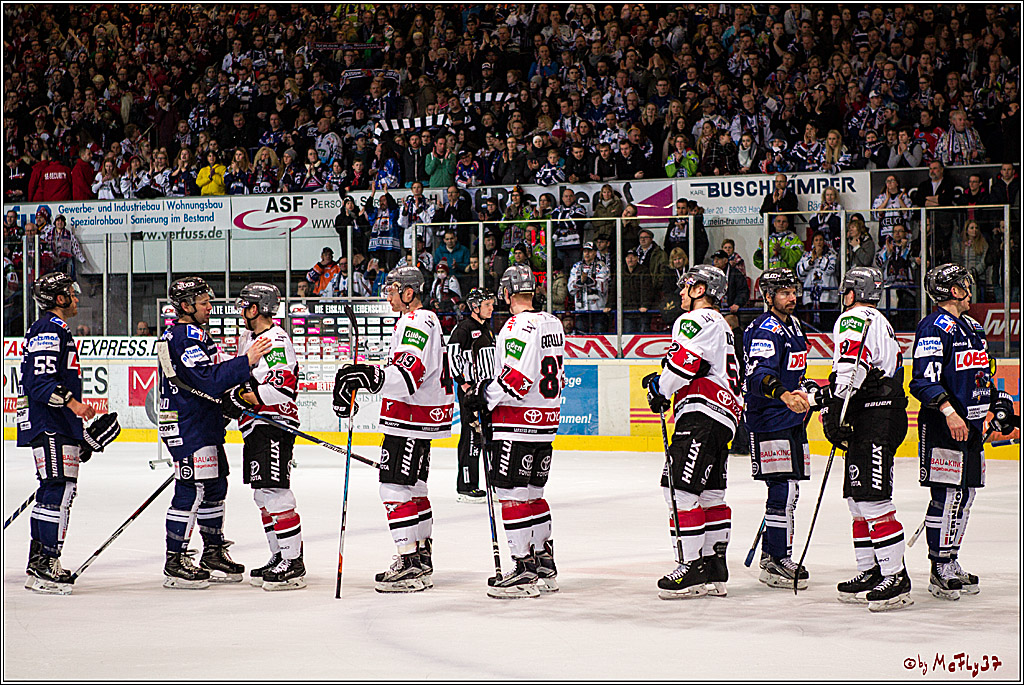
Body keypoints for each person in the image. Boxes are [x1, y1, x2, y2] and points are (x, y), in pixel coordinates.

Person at [332, 265, 454, 593]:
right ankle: (420, 557)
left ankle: (410, 561)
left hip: (410, 417)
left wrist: (369, 378)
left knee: (393, 488)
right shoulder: (418, 320)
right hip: (420, 416)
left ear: (409, 293)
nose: (388, 294)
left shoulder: (417, 320)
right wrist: (370, 373)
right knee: (413, 487)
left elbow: (408, 374)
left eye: (393, 288)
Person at [909, 264, 1018, 600]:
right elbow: (922, 381)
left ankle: (951, 559)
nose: (970, 288)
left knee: (966, 496)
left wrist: (995, 404)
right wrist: (949, 412)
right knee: (946, 496)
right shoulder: (933, 327)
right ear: (953, 291)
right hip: (944, 426)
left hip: (970, 427)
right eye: (964, 284)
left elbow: (981, 375)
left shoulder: (971, 326)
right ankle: (938, 566)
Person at [158, 277, 271, 588]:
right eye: (203, 302)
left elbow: (204, 383)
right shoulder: (183, 335)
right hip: (187, 424)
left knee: (216, 485)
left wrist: (228, 402)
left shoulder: (192, 333)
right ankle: (175, 559)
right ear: (185, 306)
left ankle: (212, 552)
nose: (209, 306)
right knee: (191, 489)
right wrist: (246, 361)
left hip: (202, 422)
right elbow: (206, 379)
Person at [463, 264, 565, 598]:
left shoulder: (516, 325)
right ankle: (543, 563)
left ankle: (523, 569)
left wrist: (483, 395)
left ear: (507, 294)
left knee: (511, 494)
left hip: (516, 423)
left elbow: (515, 380)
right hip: (545, 423)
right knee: (534, 494)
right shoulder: (553, 322)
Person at [643, 265, 743, 599]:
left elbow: (685, 363)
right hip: (725, 415)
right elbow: (700, 365)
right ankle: (715, 565)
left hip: (701, 414)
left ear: (701, 289)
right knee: (711, 494)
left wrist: (661, 388)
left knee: (680, 491)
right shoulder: (723, 325)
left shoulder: (693, 320)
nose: (682, 293)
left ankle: (690, 567)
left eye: (686, 287)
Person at [18, 272, 120, 594]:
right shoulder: (50, 328)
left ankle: (40, 561)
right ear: (59, 299)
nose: (76, 298)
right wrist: (75, 406)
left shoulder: (53, 329)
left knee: (54, 490)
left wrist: (82, 439)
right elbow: (41, 382)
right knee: (57, 491)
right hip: (50, 424)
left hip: (54, 425)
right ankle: (47, 562)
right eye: (71, 294)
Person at [820, 266, 913, 611]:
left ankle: (895, 574)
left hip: (876, 413)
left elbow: (850, 368)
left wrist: (835, 411)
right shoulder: (880, 320)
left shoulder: (853, 317)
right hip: (875, 411)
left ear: (852, 292)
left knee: (872, 499)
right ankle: (871, 570)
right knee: (858, 500)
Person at [222, 283, 306, 591]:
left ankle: (293, 562)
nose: (241, 311)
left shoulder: (276, 340)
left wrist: (243, 397)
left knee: (274, 490)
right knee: (261, 494)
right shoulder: (249, 338)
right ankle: (279, 554)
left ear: (256, 308)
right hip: (255, 424)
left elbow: (281, 388)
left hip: (274, 422)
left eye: (245, 305)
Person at [741, 268, 813, 589]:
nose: (792, 297)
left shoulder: (795, 326)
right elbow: (758, 376)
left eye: (793, 291)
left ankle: (773, 555)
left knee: (790, 490)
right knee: (782, 489)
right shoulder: (763, 330)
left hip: (791, 418)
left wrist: (804, 389)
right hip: (769, 418)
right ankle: (777, 559)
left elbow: (794, 372)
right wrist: (784, 394)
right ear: (768, 297)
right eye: (784, 292)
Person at [447, 288, 497, 503]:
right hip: (472, 392)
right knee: (471, 437)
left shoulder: (487, 329)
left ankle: (494, 484)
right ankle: (466, 486)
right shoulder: (464, 329)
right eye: (487, 305)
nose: (492, 308)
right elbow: (452, 356)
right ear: (475, 307)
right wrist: (464, 384)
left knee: (490, 437)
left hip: (487, 391)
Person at [796, 233, 840, 330]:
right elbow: (800, 273)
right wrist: (811, 261)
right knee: (811, 327)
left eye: (821, 240)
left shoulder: (832, 255)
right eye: (816, 240)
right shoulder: (806, 256)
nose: (819, 242)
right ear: (813, 242)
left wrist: (820, 257)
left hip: (828, 298)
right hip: (810, 297)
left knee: (828, 326)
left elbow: (830, 269)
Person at [567, 242, 611, 334]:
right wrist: (581, 282)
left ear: (595, 252)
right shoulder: (576, 266)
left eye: (589, 251)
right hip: (581, 309)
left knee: (600, 336)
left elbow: (603, 287)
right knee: (581, 336)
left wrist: (588, 280)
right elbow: (570, 288)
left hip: (598, 309)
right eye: (585, 251)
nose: (587, 254)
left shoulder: (601, 266)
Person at [710, 250, 748, 332]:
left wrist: (737, 303)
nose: (715, 261)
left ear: (726, 260)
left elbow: (743, 291)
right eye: (714, 259)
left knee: (729, 323)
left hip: (731, 312)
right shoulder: (711, 275)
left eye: (718, 259)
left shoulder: (736, 274)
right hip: (716, 311)